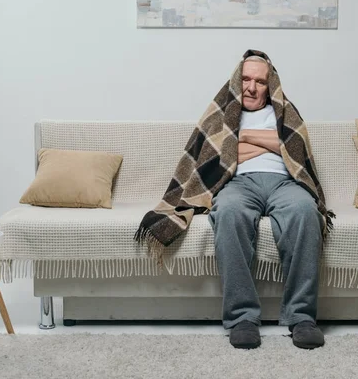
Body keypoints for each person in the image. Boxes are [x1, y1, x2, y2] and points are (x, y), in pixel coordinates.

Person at [135, 50, 333, 351]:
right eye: (246, 79)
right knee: (227, 212)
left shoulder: (285, 113)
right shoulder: (222, 114)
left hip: (285, 183)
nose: (252, 87)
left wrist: (245, 141)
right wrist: (270, 144)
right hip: (237, 183)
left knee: (305, 211)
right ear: (236, 81)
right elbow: (213, 157)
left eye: (260, 81)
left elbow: (294, 149)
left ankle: (302, 318)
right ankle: (242, 319)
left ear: (271, 86)